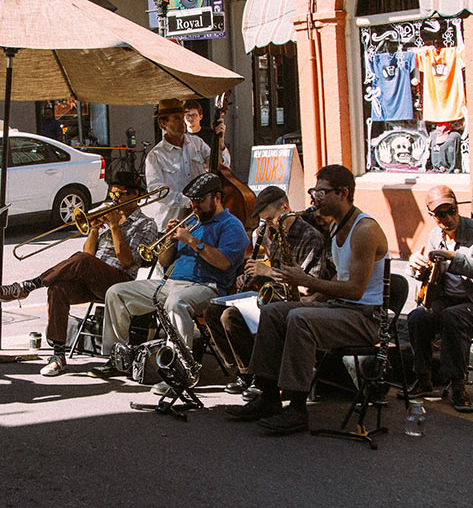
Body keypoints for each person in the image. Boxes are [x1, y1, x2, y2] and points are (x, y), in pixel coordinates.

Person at [226, 164, 388, 435]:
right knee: (274, 311)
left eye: (322, 193)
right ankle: (268, 396)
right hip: (341, 308)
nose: (315, 199)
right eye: (315, 192)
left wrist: (306, 283)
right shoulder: (338, 228)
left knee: (299, 318)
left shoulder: (365, 230)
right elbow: (340, 277)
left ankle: (298, 408)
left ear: (343, 193)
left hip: (365, 316)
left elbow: (356, 290)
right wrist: (315, 296)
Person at [0, 172, 157, 376]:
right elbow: (88, 255)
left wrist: (114, 226)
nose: (116, 200)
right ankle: (58, 355)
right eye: (112, 195)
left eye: (121, 195)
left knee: (83, 261)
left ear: (137, 195)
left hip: (119, 283)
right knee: (58, 288)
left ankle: (28, 286)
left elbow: (127, 261)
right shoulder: (109, 216)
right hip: (93, 277)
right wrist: (94, 230)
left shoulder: (146, 224)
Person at [96, 173, 250, 388]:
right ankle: (116, 356)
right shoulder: (194, 222)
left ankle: (180, 370)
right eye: (192, 201)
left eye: (200, 200)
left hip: (209, 287)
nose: (194, 205)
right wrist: (168, 239)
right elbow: (164, 260)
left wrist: (192, 241)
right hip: (171, 283)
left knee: (176, 302)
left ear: (216, 197)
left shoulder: (231, 226)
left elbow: (224, 263)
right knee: (117, 292)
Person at [204, 185, 329, 397]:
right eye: (265, 221)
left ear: (286, 207)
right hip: (273, 294)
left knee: (231, 317)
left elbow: (309, 286)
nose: (268, 225)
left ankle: (260, 377)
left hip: (298, 300)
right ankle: (244, 371)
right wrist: (253, 275)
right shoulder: (272, 233)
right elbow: (271, 268)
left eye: (270, 219)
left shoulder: (310, 237)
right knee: (212, 312)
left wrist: (268, 272)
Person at [406, 185, 473, 413]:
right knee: (417, 317)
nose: (448, 218)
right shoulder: (435, 235)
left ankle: (457, 384)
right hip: (447, 299)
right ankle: (424, 378)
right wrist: (417, 266)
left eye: (451, 211)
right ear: (432, 216)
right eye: (441, 214)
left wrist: (455, 258)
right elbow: (430, 274)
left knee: (452, 318)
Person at [144, 99, 230, 232]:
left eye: (182, 118)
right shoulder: (155, 156)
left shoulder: (197, 143)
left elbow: (223, 166)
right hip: (172, 223)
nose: (182, 123)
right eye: (177, 119)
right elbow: (157, 192)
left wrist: (221, 143)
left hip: (200, 222)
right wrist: (190, 201)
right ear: (163, 123)